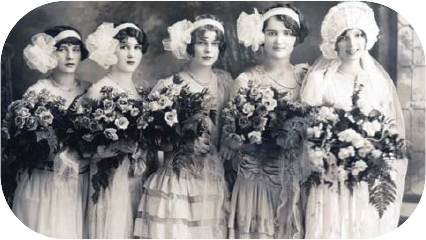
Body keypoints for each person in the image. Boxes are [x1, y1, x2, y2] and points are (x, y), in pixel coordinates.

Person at [300, 2, 408, 238]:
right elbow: (307, 131)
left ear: (367, 37)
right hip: (330, 176)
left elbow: (389, 131)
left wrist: (373, 153)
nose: (352, 44)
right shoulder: (321, 80)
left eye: (358, 35)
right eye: (344, 37)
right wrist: (329, 151)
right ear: (334, 42)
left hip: (366, 177)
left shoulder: (377, 80)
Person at [133, 14, 232, 239]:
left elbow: (228, 128)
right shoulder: (170, 86)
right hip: (176, 179)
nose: (208, 49)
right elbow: (151, 140)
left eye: (214, 43)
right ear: (189, 45)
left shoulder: (225, 84)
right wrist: (183, 144)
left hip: (212, 177)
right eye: (201, 42)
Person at [221, 4, 310, 239]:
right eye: (272, 33)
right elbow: (229, 142)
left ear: (296, 38)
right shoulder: (245, 81)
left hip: (292, 183)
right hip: (255, 183)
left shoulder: (306, 80)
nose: (279, 40)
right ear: (261, 36)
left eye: (287, 33)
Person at [12, 26, 91, 238]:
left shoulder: (89, 90)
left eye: (75, 50)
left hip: (79, 183)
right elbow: (24, 144)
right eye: (62, 49)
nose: (69, 56)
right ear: (49, 53)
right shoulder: (37, 91)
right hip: (44, 181)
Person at [84, 22, 149, 239]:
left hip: (138, 176)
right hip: (111, 180)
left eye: (137, 47)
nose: (131, 53)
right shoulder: (97, 90)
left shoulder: (141, 93)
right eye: (124, 47)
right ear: (111, 49)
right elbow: (84, 148)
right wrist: (114, 147)